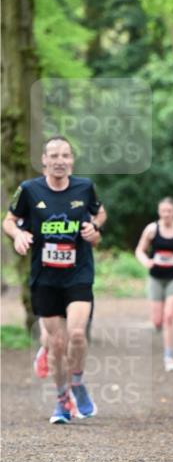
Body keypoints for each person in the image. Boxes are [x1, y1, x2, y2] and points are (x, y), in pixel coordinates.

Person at [3, 135, 104, 423]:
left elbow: (100, 214)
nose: (59, 161)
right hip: (45, 277)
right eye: (54, 156)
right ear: (44, 161)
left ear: (71, 161)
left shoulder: (84, 188)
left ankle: (78, 382)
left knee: (76, 335)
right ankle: (62, 400)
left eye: (65, 156)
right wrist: (18, 234)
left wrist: (93, 229)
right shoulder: (29, 190)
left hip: (79, 274)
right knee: (57, 344)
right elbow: (9, 220)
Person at [135, 197, 173, 372]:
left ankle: (169, 356)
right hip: (155, 278)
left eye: (169, 211)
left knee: (169, 316)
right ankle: (158, 326)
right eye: (163, 211)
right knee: (157, 320)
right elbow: (139, 250)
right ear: (159, 212)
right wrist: (146, 261)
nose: (166, 214)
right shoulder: (152, 229)